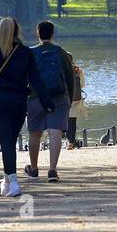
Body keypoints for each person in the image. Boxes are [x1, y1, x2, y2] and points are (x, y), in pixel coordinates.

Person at [0, 17, 54, 197]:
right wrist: (47, 102)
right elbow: (36, 80)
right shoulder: (25, 52)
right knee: (9, 141)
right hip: (18, 101)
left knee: (6, 142)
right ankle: (7, 180)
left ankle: (13, 181)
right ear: (17, 31)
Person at [26, 20, 76, 182]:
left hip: (35, 97)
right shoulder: (61, 53)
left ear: (38, 34)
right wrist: (68, 98)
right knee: (55, 132)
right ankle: (52, 170)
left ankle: (33, 169)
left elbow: (23, 77)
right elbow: (70, 78)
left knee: (35, 133)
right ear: (52, 34)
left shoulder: (29, 53)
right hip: (59, 97)